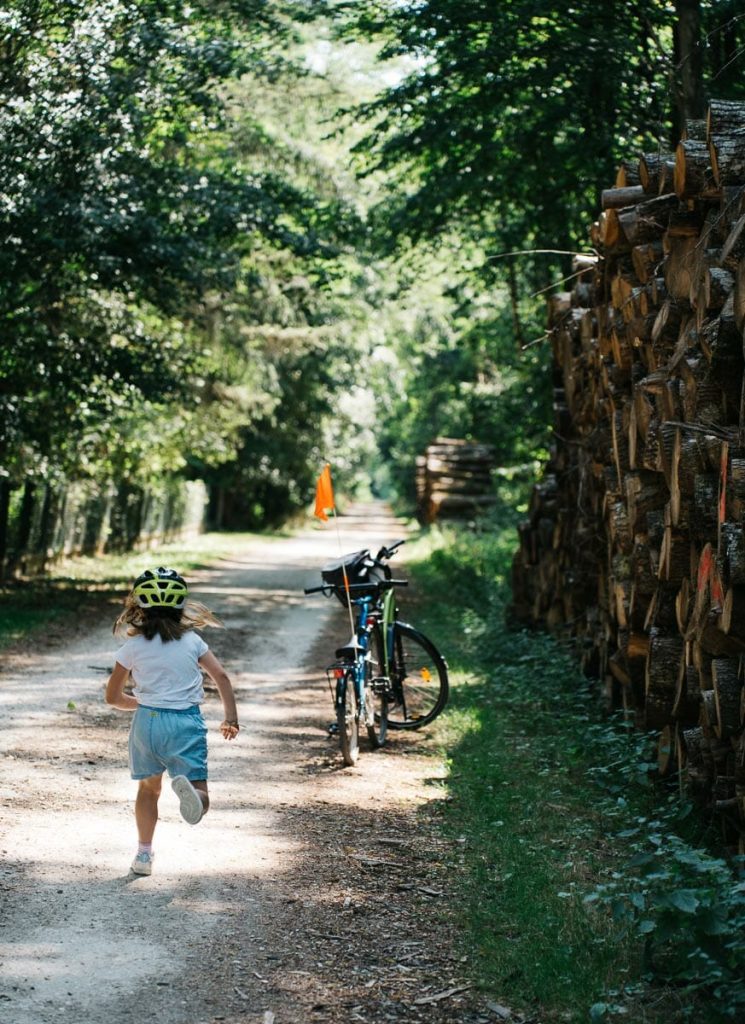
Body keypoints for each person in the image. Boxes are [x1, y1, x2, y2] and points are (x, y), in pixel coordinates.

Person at [105, 566, 239, 876]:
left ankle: (143, 855)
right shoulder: (193, 641)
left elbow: (113, 697)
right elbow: (221, 676)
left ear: (139, 607)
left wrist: (140, 703)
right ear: (180, 606)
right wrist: (230, 717)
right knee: (200, 794)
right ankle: (195, 795)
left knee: (149, 791)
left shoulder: (131, 647)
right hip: (184, 723)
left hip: (147, 724)